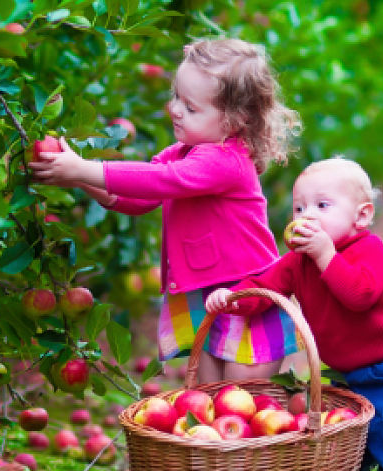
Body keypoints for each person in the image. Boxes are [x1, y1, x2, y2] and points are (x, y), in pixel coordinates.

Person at [29, 38, 302, 384]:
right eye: (176, 97)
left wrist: (84, 168)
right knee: (209, 397)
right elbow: (140, 199)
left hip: (244, 295)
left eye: (191, 107)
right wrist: (80, 179)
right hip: (203, 292)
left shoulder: (227, 161)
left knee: (243, 397)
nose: (175, 109)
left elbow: (164, 180)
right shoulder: (184, 151)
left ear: (235, 121)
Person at [205, 158, 383, 471]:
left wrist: (326, 254)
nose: (307, 215)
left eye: (322, 206)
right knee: (350, 435)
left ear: (361, 216)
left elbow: (358, 295)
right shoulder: (299, 262)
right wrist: (231, 297)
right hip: (348, 371)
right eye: (299, 207)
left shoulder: (369, 250)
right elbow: (265, 288)